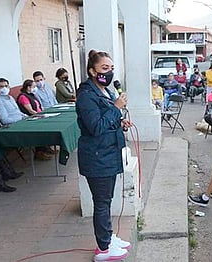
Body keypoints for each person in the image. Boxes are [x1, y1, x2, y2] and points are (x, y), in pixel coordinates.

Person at [76, 50, 132, 261]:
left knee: (106, 201)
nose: (108, 73)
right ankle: (103, 249)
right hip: (97, 157)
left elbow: (106, 121)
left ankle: (108, 237)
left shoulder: (104, 90)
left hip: (109, 154)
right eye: (104, 69)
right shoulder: (86, 96)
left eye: (111, 69)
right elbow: (95, 126)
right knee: (101, 203)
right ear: (92, 71)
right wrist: (116, 109)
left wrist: (119, 122)